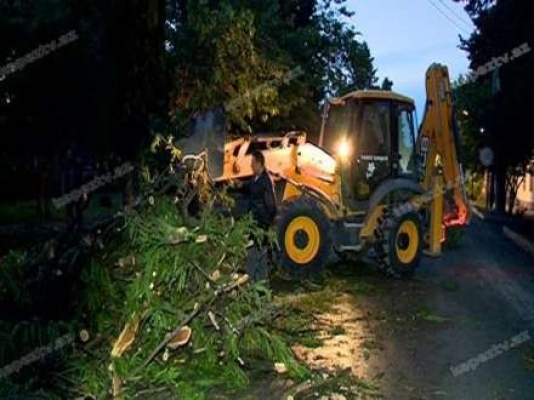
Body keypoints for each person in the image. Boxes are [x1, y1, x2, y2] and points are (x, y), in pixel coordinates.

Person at [235, 151, 277, 282]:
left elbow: (271, 206)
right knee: (261, 258)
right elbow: (250, 186)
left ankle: (251, 284)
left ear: (259, 163)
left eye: (252, 163)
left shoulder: (266, 181)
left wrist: (264, 225)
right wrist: (239, 184)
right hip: (255, 225)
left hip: (260, 226)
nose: (251, 166)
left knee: (253, 255)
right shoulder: (257, 179)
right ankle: (261, 288)